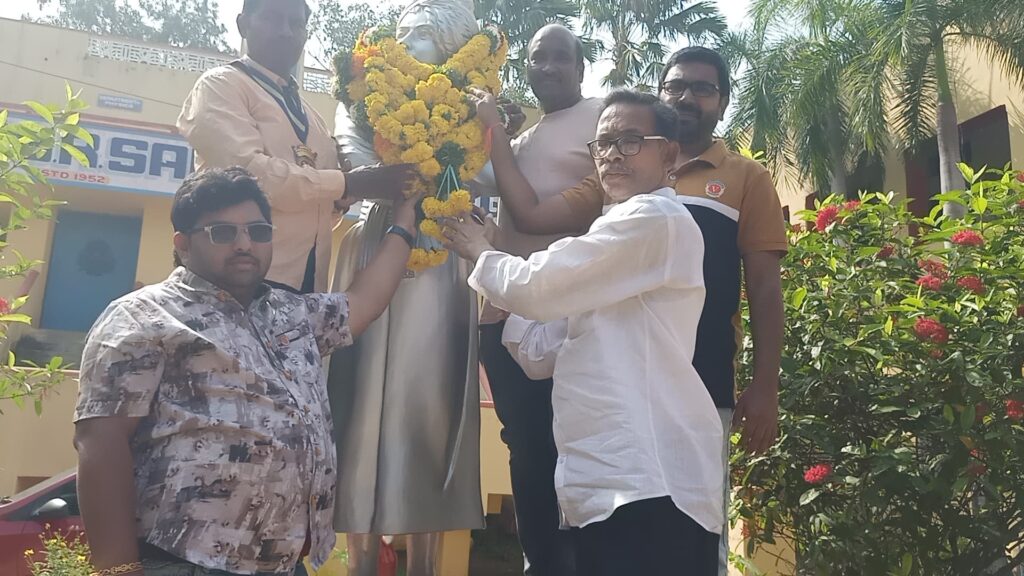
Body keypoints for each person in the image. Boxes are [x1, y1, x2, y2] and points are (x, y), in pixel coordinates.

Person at [477, 46, 788, 574]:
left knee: (678, 528)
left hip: (697, 387)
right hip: (612, 427)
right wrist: (503, 285)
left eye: (703, 88)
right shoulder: (613, 201)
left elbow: (764, 285)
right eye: (676, 86)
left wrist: (765, 384)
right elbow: (535, 227)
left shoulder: (728, 184)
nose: (687, 97)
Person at [73, 168, 419, 576]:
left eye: (257, 231)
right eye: (222, 232)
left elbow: (365, 300)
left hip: (284, 564)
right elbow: (101, 441)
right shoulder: (142, 317)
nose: (244, 244)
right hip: (185, 561)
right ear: (183, 245)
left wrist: (404, 223)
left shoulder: (292, 313)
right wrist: (117, 570)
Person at [445, 89, 723, 575]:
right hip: (603, 486)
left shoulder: (656, 219)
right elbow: (538, 351)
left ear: (669, 156)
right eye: (603, 144)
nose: (613, 154)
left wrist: (481, 253)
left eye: (631, 141)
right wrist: (500, 282)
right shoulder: (612, 243)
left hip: (650, 483)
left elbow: (537, 287)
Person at [328, 1, 486, 574]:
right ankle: (359, 560)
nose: (410, 43)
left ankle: (424, 562)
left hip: (444, 250)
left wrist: (490, 133)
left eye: (424, 34)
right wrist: (407, 176)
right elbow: (356, 162)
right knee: (360, 398)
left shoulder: (474, 105)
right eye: (405, 34)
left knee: (431, 400)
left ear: (451, 46)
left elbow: (486, 174)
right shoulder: (363, 96)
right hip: (377, 242)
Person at [472, 22, 603, 576]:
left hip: (560, 318)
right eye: (536, 58)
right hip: (502, 315)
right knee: (524, 450)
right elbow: (498, 199)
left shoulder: (601, 116)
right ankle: (540, 563)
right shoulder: (525, 137)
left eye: (559, 57)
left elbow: (532, 214)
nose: (546, 67)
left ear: (581, 67)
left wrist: (492, 127)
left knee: (564, 449)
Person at [177, 0, 414, 294]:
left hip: (305, 291)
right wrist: (348, 183)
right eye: (273, 19)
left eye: (296, 24)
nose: (286, 32)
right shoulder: (220, 86)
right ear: (243, 25)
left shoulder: (311, 117)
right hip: (235, 285)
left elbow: (319, 209)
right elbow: (250, 177)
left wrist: (342, 200)